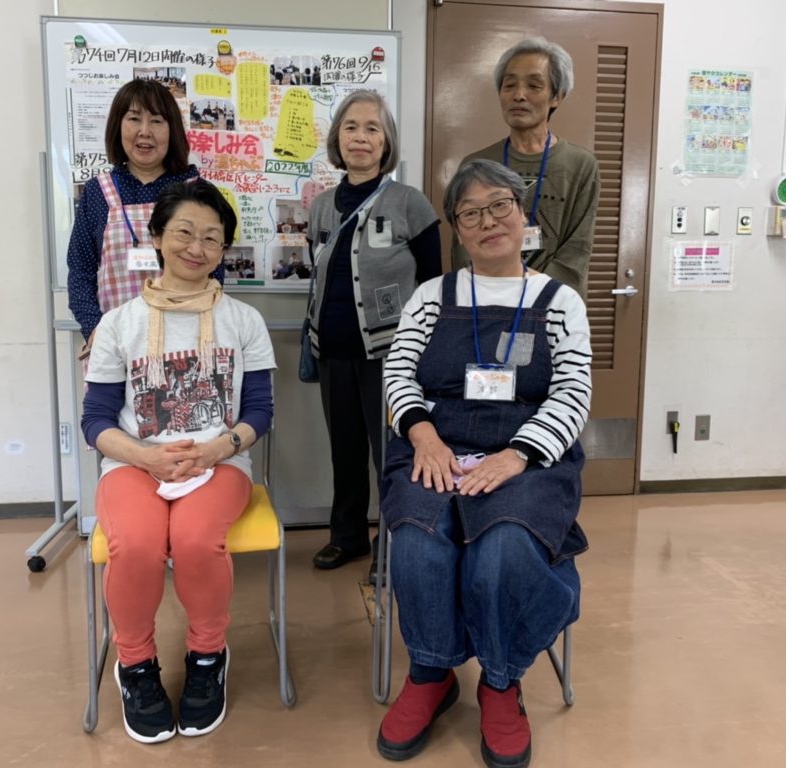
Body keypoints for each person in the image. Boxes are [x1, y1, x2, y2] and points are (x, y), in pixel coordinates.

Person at [376, 159, 590, 768]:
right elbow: (398, 372)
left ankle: (500, 680)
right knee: (418, 539)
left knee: (503, 547)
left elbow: (572, 392)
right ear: (457, 229)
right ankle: (431, 672)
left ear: (523, 214)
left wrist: (519, 454)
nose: (488, 222)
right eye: (470, 213)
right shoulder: (431, 297)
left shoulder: (559, 301)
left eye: (499, 206)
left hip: (527, 454)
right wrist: (422, 435)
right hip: (436, 444)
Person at [81, 180, 276, 744]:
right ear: (158, 237)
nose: (197, 247)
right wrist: (144, 455)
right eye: (185, 232)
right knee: (137, 543)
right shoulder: (119, 322)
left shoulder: (244, 320)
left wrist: (220, 448)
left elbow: (260, 410)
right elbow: (96, 421)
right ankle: (136, 664)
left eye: (212, 238)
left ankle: (208, 656)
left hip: (220, 463)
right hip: (133, 464)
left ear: (224, 250)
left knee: (194, 540)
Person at [306, 90, 443, 572]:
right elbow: (318, 271)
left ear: (386, 143)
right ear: (337, 138)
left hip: (392, 355)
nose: (360, 137)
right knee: (343, 450)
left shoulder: (411, 203)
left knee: (392, 452)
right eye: (351, 127)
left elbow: (432, 285)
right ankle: (347, 537)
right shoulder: (322, 205)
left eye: (372, 128)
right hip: (332, 350)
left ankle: (396, 539)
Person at [456, 37, 599, 300]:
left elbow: (577, 248)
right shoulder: (476, 165)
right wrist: (492, 296)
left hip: (552, 303)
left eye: (534, 85)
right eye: (509, 85)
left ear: (556, 96)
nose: (519, 95)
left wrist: (537, 297)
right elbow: (464, 244)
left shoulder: (580, 165)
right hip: (489, 302)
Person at [67, 78, 200, 357]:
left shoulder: (196, 192)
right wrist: (95, 330)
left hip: (185, 344)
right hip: (115, 345)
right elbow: (80, 271)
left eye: (157, 121)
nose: (145, 131)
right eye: (134, 119)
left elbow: (214, 269)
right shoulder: (97, 192)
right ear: (118, 125)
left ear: (172, 130)